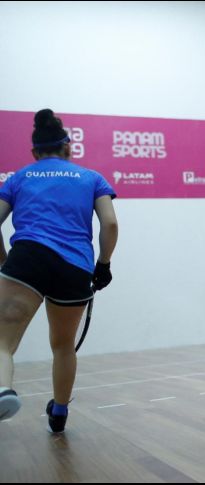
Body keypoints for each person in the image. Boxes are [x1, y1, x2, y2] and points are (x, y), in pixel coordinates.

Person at [0, 109, 118, 432]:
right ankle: (60, 412)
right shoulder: (92, 178)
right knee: (63, 346)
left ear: (34, 153)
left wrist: (3, 260)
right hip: (74, 267)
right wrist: (103, 265)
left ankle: (2, 390)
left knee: (2, 341)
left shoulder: (19, 177)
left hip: (28, 260)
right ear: (69, 148)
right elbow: (109, 223)